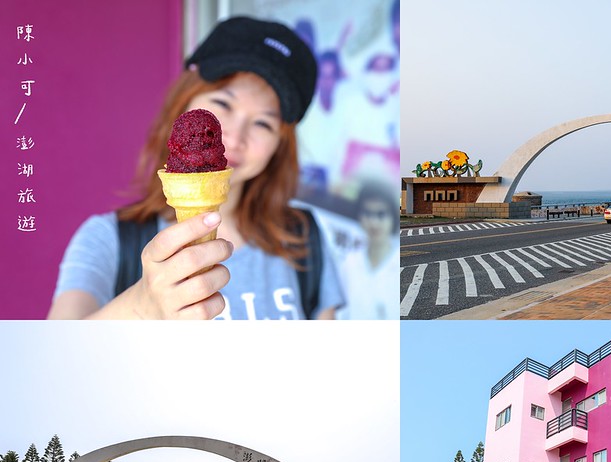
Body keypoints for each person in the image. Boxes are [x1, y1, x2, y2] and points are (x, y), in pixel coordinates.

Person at [48, 17, 344, 320]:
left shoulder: (304, 239)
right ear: (184, 102)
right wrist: (141, 306)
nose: (235, 137)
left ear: (280, 146)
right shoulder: (108, 238)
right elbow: (53, 361)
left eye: (263, 123)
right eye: (223, 103)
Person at [337, 181, 399, 319]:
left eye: (381, 214)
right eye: (368, 213)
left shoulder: (397, 263)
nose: (374, 222)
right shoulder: (349, 263)